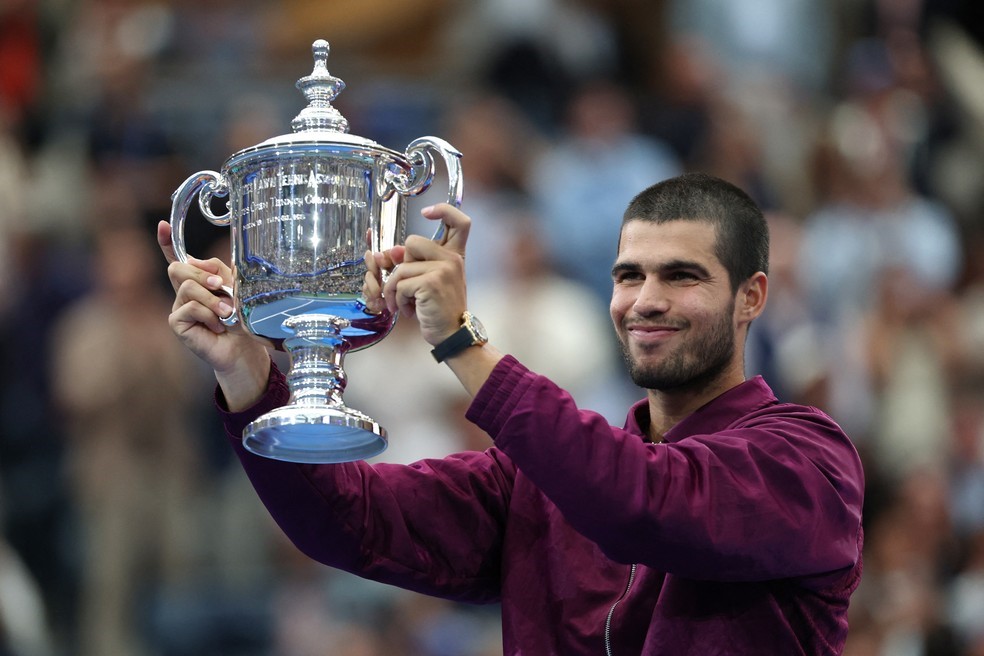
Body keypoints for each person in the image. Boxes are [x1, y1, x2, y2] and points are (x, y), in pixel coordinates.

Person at [159, 172, 864, 654]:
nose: (646, 300)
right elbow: (349, 522)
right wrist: (254, 383)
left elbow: (641, 502)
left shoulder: (806, 460)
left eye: (682, 276)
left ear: (752, 296)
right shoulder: (534, 484)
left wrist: (461, 340)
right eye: (628, 276)